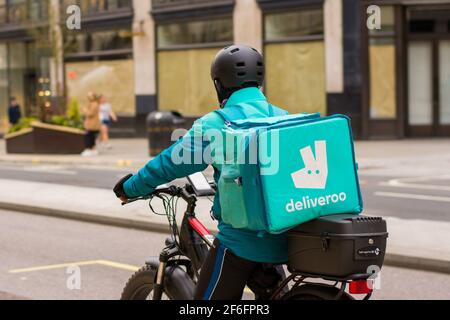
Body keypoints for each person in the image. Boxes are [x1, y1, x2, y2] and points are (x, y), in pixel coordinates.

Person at [114, 45, 288, 300]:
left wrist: (130, 188)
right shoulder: (283, 118)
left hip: (242, 241)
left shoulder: (217, 124)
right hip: (284, 237)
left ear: (219, 84)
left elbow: (170, 163)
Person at [81, 92, 101, 156]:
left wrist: (84, 110)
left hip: (92, 124)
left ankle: (89, 149)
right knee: (91, 137)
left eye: (90, 96)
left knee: (89, 137)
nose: (88, 97)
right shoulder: (94, 104)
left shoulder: (94, 104)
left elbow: (90, 114)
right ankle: (93, 149)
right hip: (92, 124)